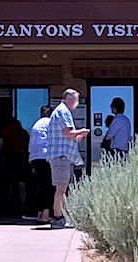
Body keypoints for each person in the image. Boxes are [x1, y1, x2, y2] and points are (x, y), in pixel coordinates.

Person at [44, 89, 92, 229]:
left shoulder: (61, 111)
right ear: (69, 99)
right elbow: (67, 132)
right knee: (61, 188)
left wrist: (78, 136)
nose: (77, 103)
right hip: (61, 156)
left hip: (63, 156)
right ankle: (58, 217)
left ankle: (62, 216)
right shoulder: (63, 111)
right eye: (76, 100)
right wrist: (82, 131)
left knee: (63, 187)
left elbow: (67, 136)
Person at [27, 104, 52, 222]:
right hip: (46, 157)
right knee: (48, 186)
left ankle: (40, 214)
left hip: (35, 158)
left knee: (41, 186)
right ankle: (46, 215)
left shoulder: (36, 125)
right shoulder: (50, 123)